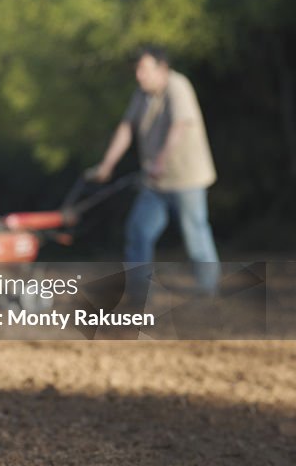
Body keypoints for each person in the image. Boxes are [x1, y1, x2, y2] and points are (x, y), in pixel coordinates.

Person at [91, 46, 220, 300]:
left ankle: (209, 289)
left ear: (162, 69)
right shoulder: (142, 94)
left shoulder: (178, 85)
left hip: (186, 178)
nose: (139, 75)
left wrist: (160, 160)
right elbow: (127, 127)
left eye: (144, 69)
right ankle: (137, 292)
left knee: (195, 233)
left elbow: (180, 124)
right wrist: (107, 164)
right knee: (139, 230)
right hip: (155, 182)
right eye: (137, 69)